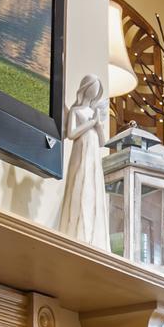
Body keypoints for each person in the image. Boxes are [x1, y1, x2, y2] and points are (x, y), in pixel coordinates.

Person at [55, 74, 110, 249]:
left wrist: (98, 124)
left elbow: (102, 142)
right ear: (85, 88)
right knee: (79, 182)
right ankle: (75, 231)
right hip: (80, 155)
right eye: (93, 87)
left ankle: (94, 236)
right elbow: (71, 134)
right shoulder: (76, 111)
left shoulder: (95, 114)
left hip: (93, 158)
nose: (95, 91)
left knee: (93, 187)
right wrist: (91, 123)